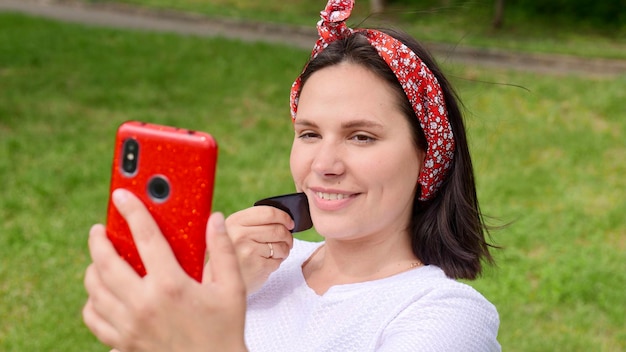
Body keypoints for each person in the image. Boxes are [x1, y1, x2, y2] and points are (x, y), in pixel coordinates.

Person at [82, 0, 501, 351]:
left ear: (428, 156)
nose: (324, 164)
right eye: (310, 133)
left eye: (361, 137)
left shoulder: (447, 317)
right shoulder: (258, 270)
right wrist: (210, 290)